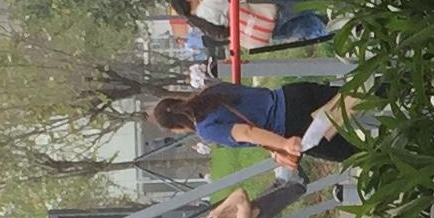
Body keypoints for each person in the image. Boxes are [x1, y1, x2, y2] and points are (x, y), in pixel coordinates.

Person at [147, 80, 355, 169]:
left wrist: (283, 145)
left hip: (295, 125)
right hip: (291, 94)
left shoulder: (206, 129)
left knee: (355, 152)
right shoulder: (211, 91)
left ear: (176, 128)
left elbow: (247, 132)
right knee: (357, 96)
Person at [166, 0, 337, 53]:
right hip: (268, 12)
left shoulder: (200, 25)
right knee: (307, 0)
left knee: (310, 27)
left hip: (266, 33)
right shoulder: (208, 3)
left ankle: (340, 26)